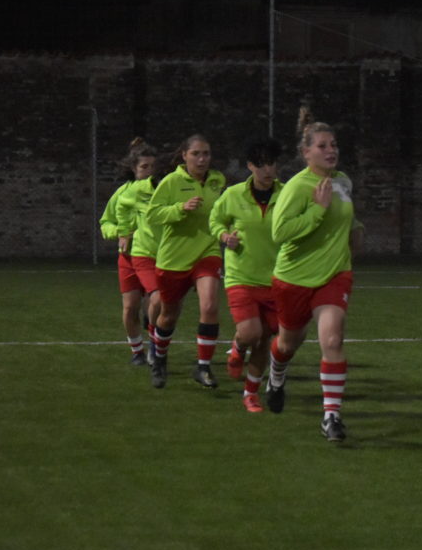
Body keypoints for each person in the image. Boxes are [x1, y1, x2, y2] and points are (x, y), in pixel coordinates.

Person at [265, 109, 364, 442]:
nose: (330, 150)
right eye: (322, 146)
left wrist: (356, 230)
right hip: (294, 277)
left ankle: (331, 416)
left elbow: (347, 218)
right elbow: (280, 233)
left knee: (332, 339)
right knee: (288, 343)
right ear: (306, 153)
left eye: (333, 144)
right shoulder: (297, 187)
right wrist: (317, 212)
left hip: (335, 274)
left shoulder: (343, 181)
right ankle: (276, 375)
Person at [209, 137, 284, 413]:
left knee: (265, 340)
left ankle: (250, 394)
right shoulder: (233, 195)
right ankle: (238, 347)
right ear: (250, 166)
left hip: (276, 279)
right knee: (251, 333)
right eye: (261, 164)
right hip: (241, 276)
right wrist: (223, 235)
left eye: (272, 164)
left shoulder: (287, 195)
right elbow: (214, 220)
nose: (267, 170)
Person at [146, 134, 227, 389]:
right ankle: (159, 359)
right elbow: (153, 215)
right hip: (174, 258)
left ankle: (202, 367)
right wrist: (180, 208)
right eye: (196, 154)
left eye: (206, 154)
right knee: (168, 315)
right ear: (184, 155)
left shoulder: (218, 181)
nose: (202, 159)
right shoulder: (171, 182)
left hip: (207, 251)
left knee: (210, 304)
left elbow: (223, 213)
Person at [99, 139, 158, 365]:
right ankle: (137, 352)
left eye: (152, 167)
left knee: (156, 303)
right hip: (129, 257)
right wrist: (119, 233)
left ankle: (155, 346)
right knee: (130, 306)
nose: (149, 171)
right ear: (134, 169)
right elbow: (105, 223)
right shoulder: (122, 193)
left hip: (154, 256)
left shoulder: (160, 192)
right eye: (144, 167)